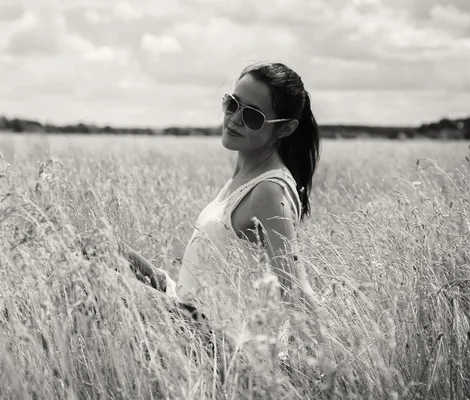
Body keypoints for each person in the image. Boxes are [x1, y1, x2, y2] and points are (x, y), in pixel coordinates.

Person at [118, 61, 323, 356]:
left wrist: (322, 373)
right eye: (232, 104)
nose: (235, 119)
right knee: (98, 245)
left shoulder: (268, 190)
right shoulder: (243, 178)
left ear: (285, 129)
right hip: (185, 311)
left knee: (104, 278)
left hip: (214, 343)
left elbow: (296, 287)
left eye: (252, 116)